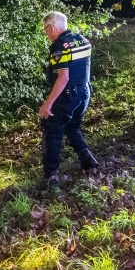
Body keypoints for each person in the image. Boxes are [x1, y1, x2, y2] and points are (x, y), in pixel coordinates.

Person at [39, 11, 99, 184]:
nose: (46, 34)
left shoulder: (59, 45)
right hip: (84, 93)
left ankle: (51, 176)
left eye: (45, 29)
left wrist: (48, 103)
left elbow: (63, 77)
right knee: (72, 127)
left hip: (67, 95)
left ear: (52, 27)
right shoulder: (82, 39)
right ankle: (89, 163)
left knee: (52, 130)